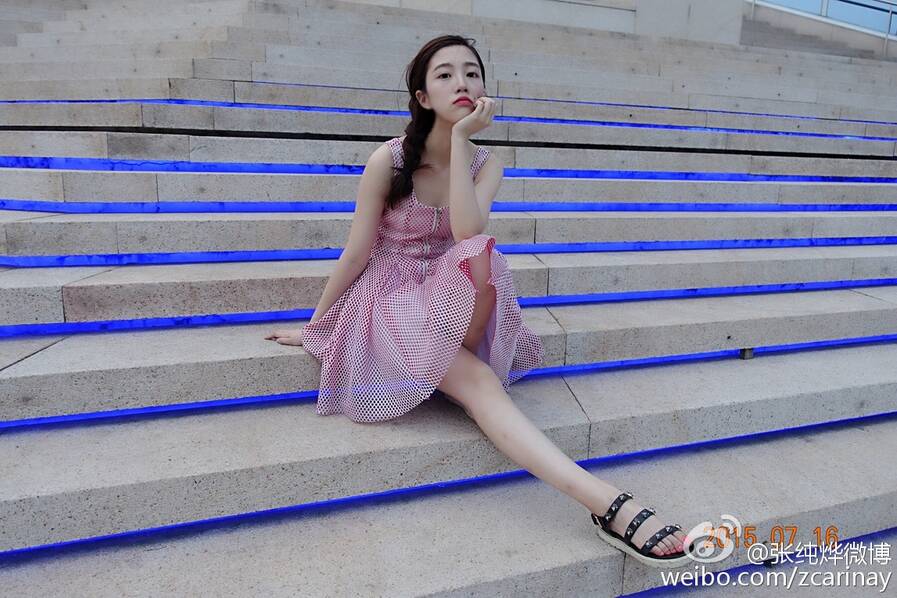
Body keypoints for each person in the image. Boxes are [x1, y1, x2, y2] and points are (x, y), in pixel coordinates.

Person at [266, 34, 697, 567]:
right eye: (445, 74)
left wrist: (461, 141)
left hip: (453, 294)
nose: (462, 83)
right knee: (480, 381)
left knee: (481, 252)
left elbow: (467, 232)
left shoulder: (486, 163)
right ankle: (608, 504)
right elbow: (356, 253)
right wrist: (318, 326)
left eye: (471, 72)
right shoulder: (389, 161)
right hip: (391, 298)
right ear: (422, 97)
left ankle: (459, 369)